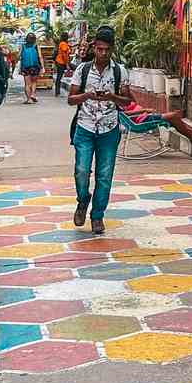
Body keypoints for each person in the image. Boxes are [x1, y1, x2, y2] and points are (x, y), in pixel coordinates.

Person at [67, 25, 131, 235]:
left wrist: (112, 97)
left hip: (109, 129)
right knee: (81, 171)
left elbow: (128, 101)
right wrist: (87, 95)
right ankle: (83, 200)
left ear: (112, 50)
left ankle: (97, 216)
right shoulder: (82, 70)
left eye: (107, 50)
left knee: (105, 175)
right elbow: (70, 99)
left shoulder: (120, 71)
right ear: (94, 47)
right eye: (100, 49)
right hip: (84, 127)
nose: (103, 53)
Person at [19, 31, 42, 104]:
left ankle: (29, 99)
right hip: (35, 66)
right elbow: (40, 57)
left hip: (25, 67)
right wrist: (42, 67)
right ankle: (33, 95)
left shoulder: (23, 46)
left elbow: (18, 56)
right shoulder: (36, 46)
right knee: (34, 82)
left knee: (27, 84)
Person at [52, 33, 71, 98]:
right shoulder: (63, 44)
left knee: (59, 77)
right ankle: (57, 92)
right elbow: (64, 55)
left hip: (59, 61)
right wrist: (67, 64)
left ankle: (57, 92)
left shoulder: (61, 43)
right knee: (59, 77)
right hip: (61, 62)